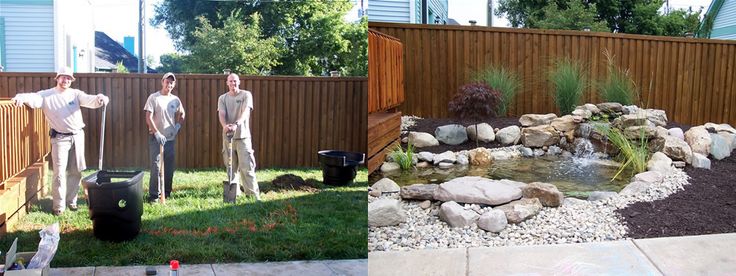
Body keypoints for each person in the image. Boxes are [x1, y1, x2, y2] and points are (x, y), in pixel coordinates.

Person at [11, 67, 109, 216]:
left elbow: (91, 100)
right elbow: (33, 98)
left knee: (76, 171)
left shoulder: (75, 94)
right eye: (63, 77)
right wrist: (20, 97)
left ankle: (72, 201)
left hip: (77, 136)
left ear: (71, 80)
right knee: (59, 173)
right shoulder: (46, 95)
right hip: (59, 138)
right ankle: (58, 206)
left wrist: (100, 98)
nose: (66, 80)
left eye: (69, 78)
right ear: (57, 78)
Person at [217, 73, 260, 200]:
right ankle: (233, 195)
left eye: (235, 81)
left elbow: (246, 112)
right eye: (230, 81)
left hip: (243, 137)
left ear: (239, 82)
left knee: (247, 167)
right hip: (228, 137)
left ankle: (252, 196)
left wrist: (236, 124)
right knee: (231, 168)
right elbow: (222, 113)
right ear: (227, 83)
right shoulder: (222, 98)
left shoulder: (246, 95)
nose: (233, 83)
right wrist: (225, 125)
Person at [144, 72, 185, 202]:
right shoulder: (154, 98)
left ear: (174, 84)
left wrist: (177, 126)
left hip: (170, 140)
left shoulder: (175, 100)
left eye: (172, 82)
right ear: (162, 82)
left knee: (169, 167)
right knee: (156, 167)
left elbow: (182, 114)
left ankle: (166, 193)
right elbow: (148, 117)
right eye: (167, 81)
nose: (169, 84)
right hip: (156, 139)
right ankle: (154, 196)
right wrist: (156, 133)